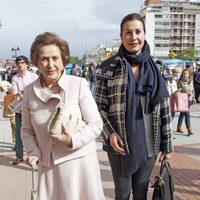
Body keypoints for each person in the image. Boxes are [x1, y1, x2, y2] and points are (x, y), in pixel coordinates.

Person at [93, 13, 173, 200]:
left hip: (149, 145)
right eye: (128, 32)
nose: (133, 37)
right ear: (121, 36)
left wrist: (167, 145)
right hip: (119, 145)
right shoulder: (109, 68)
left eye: (138, 31)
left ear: (145, 34)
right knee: (122, 193)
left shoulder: (158, 68)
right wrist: (110, 133)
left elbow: (165, 109)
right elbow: (98, 107)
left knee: (141, 192)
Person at [21, 32, 105, 200]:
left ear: (63, 60)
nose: (50, 64)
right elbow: (26, 131)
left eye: (55, 58)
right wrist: (33, 152)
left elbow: (95, 124)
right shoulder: (29, 91)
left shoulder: (78, 84)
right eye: (44, 59)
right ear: (37, 62)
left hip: (80, 164)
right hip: (49, 166)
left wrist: (72, 139)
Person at [12, 55, 38, 165]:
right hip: (20, 109)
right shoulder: (15, 78)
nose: (20, 65)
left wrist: (24, 93)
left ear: (27, 64)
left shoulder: (33, 76)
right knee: (18, 133)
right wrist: (21, 93)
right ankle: (19, 156)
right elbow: (14, 92)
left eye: (22, 62)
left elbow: (37, 90)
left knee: (36, 132)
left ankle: (35, 156)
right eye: (18, 63)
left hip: (33, 108)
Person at [176, 69, 195, 136]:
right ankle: (189, 129)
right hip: (183, 100)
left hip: (189, 99)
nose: (185, 74)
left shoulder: (190, 81)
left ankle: (179, 127)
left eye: (186, 73)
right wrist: (186, 93)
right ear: (182, 74)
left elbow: (193, 90)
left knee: (182, 113)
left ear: (188, 74)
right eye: (184, 73)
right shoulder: (180, 81)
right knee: (187, 114)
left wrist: (193, 98)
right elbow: (178, 91)